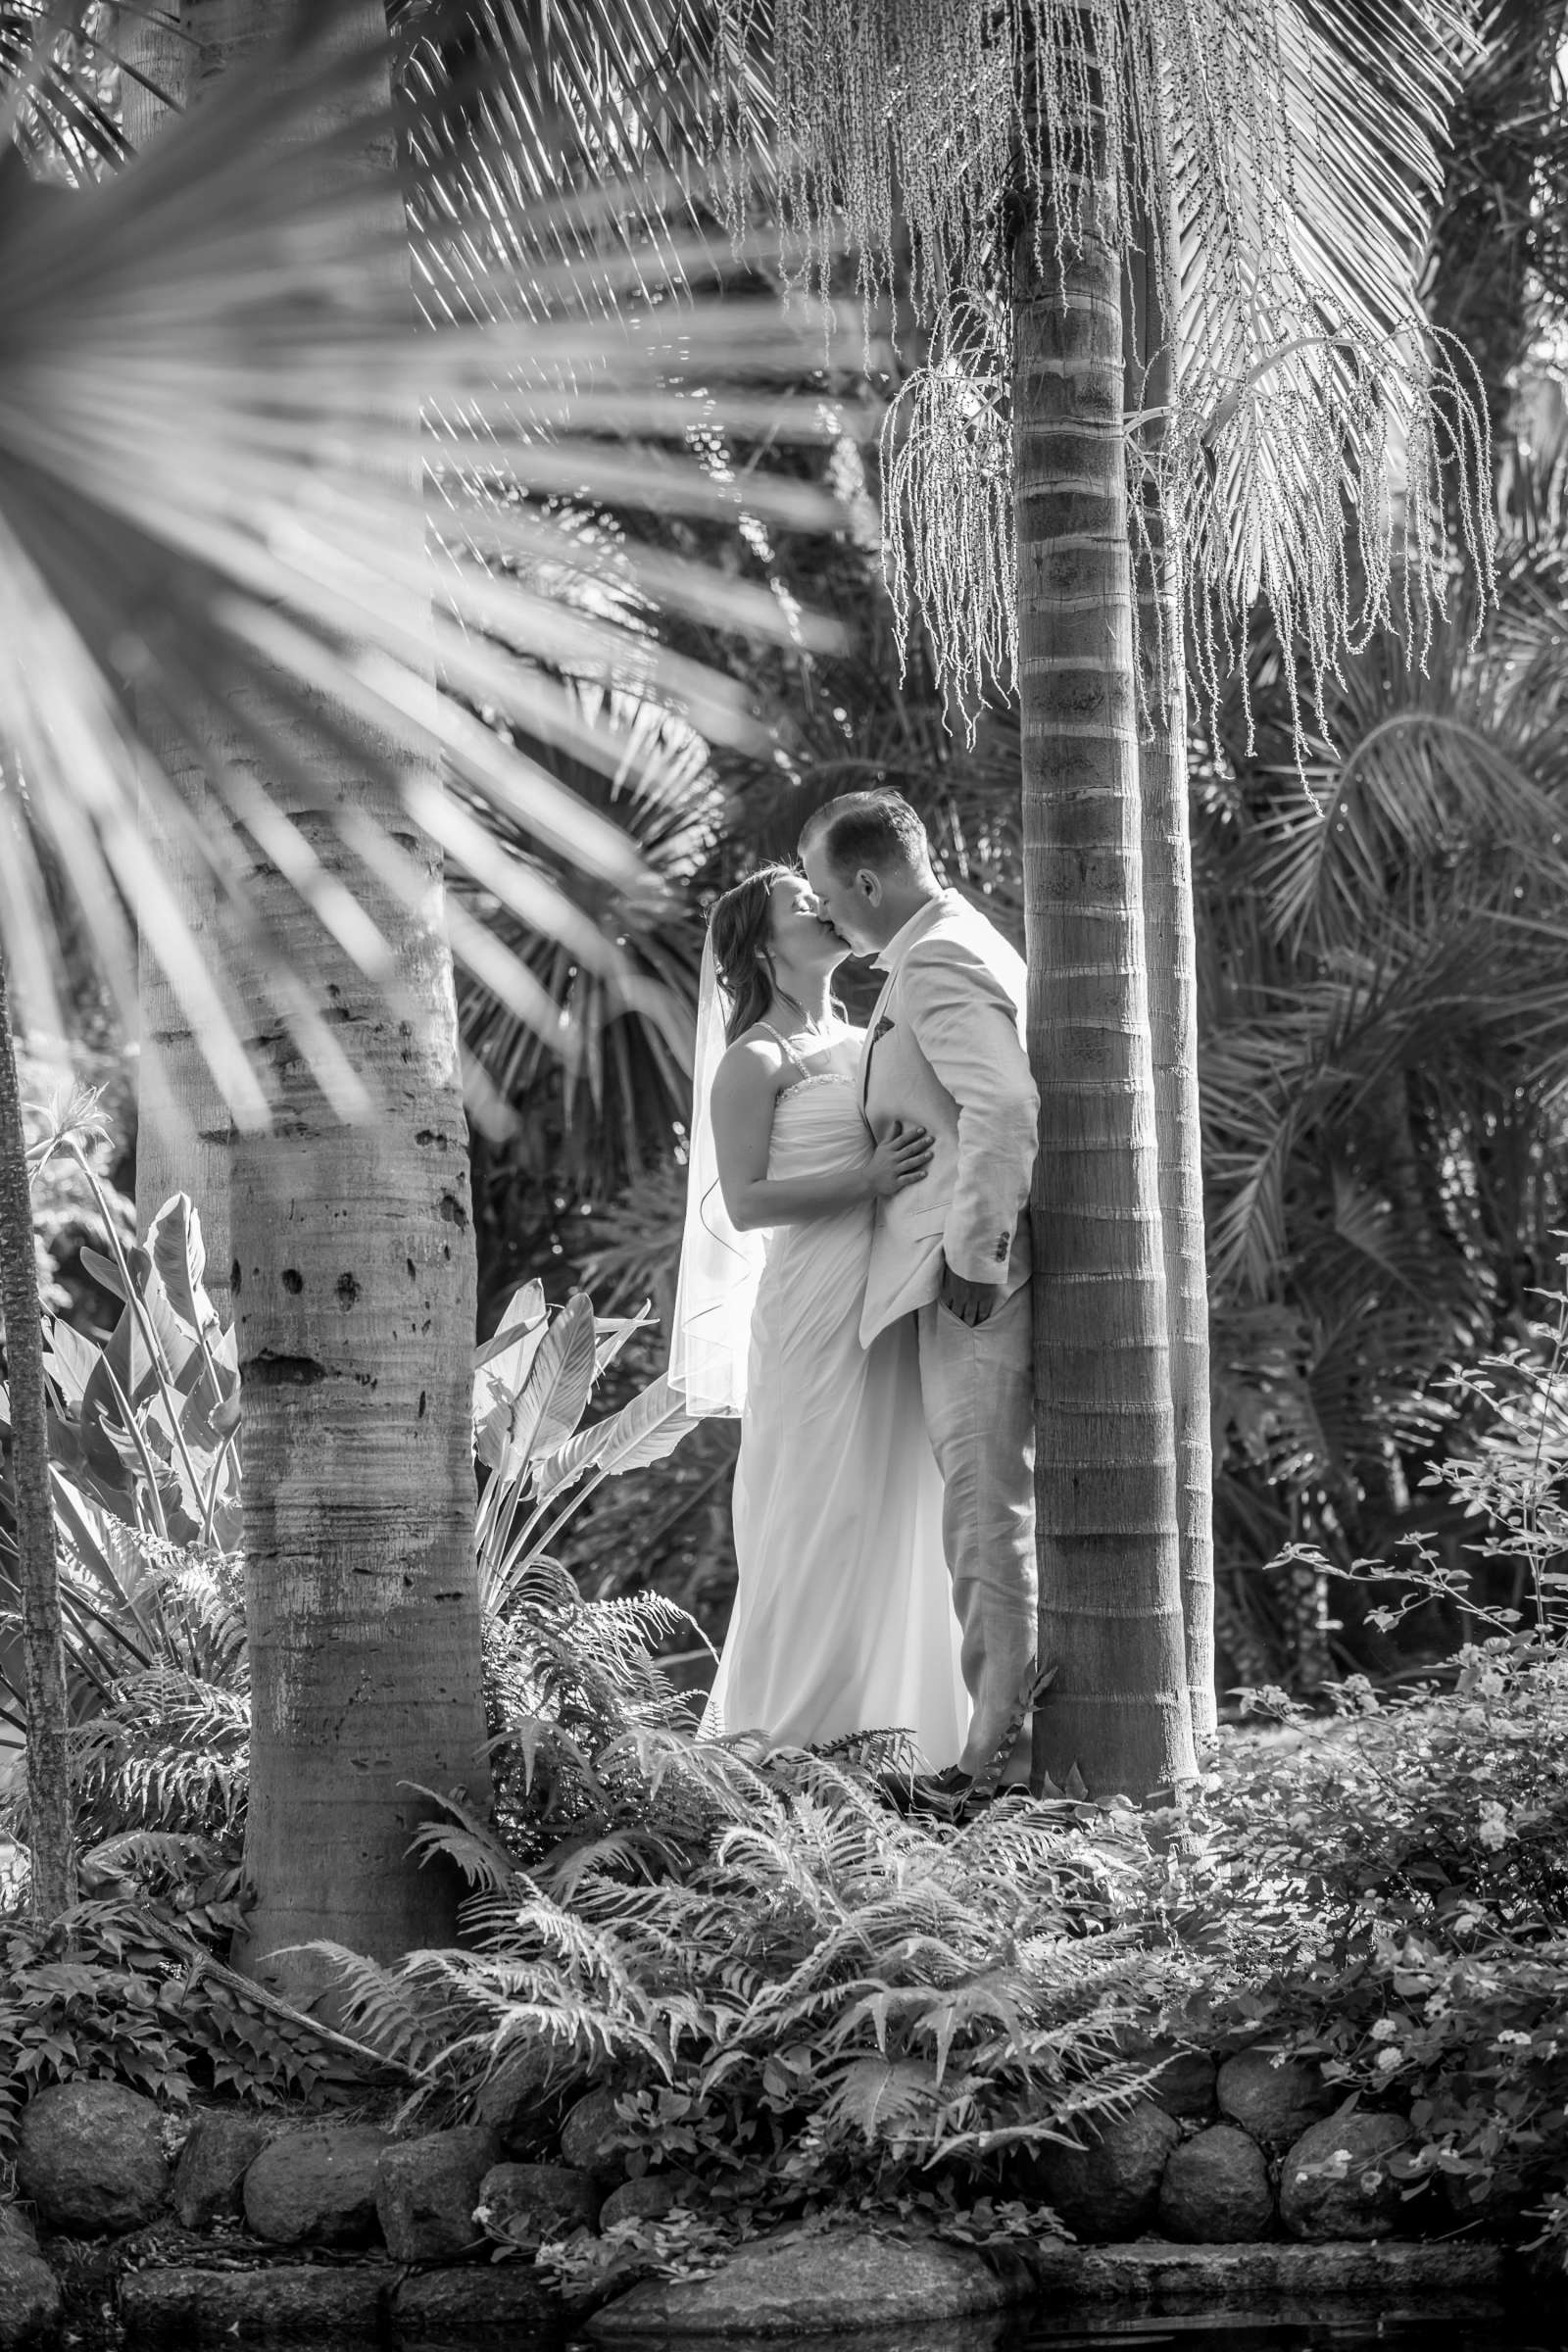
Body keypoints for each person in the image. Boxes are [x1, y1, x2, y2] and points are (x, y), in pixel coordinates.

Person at [668, 863, 967, 1766]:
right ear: (764, 944)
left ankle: (903, 1738)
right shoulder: (753, 1060)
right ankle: (784, 1743)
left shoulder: (864, 1033)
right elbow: (748, 1203)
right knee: (815, 1512)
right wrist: (867, 1180)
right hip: (809, 1305)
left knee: (893, 1502)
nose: (827, 910)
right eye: (804, 906)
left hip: (887, 1295)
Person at [799, 793, 1040, 1798]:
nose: (825, 917)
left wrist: (975, 1260)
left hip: (974, 1281)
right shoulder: (944, 941)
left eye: (825, 894)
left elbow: (1003, 1102)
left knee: (984, 1512)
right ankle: (1003, 1741)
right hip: (957, 1271)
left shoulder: (936, 954)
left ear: (866, 881)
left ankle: (999, 1761)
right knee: (981, 1508)